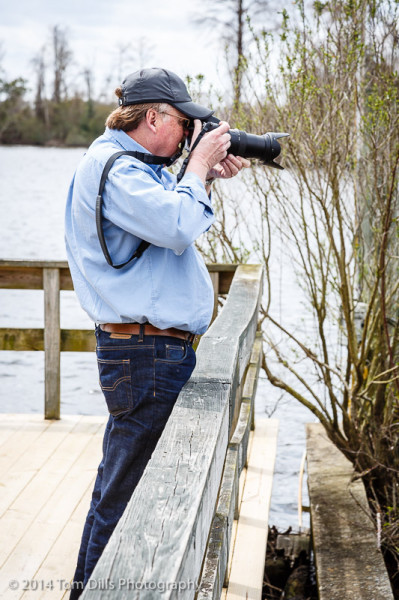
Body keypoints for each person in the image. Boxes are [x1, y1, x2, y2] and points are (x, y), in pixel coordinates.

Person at [65, 67, 249, 598]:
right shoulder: (116, 168)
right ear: (154, 117)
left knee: (117, 488)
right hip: (144, 354)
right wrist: (196, 166)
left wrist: (203, 175)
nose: (188, 133)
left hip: (148, 353)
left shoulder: (133, 168)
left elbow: (172, 216)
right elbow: (176, 226)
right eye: (183, 122)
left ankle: (85, 591)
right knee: (128, 495)